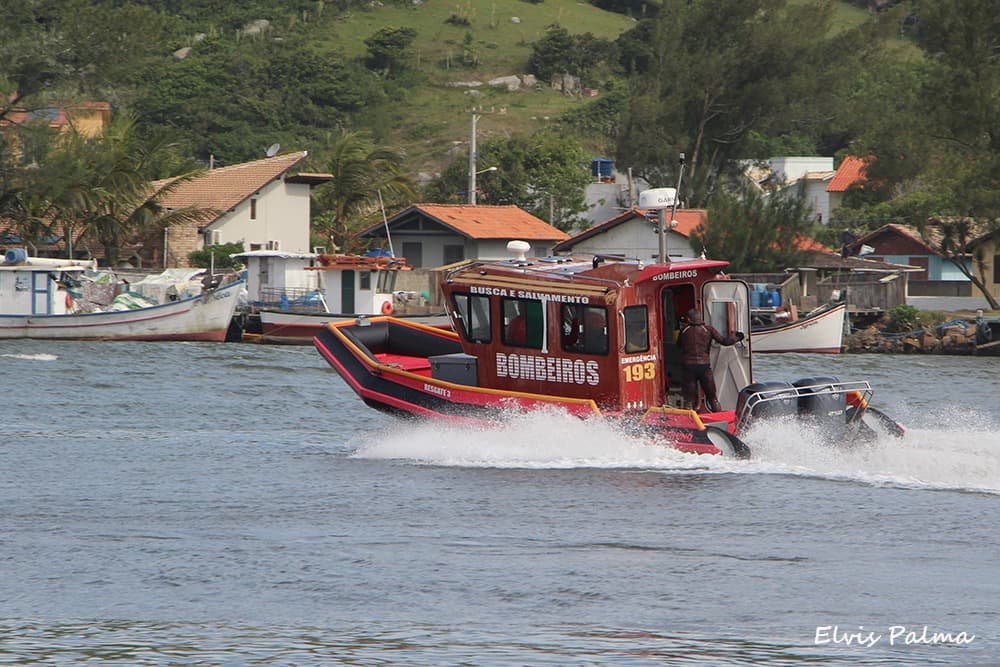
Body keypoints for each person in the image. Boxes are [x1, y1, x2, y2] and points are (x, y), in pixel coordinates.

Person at [677, 308, 744, 412]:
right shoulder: (708, 329)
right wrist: (738, 337)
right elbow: (725, 341)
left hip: (688, 367)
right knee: (713, 398)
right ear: (700, 318)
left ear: (689, 319)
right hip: (704, 366)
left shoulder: (684, 331)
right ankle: (720, 421)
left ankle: (688, 423)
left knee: (689, 401)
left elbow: (678, 346)